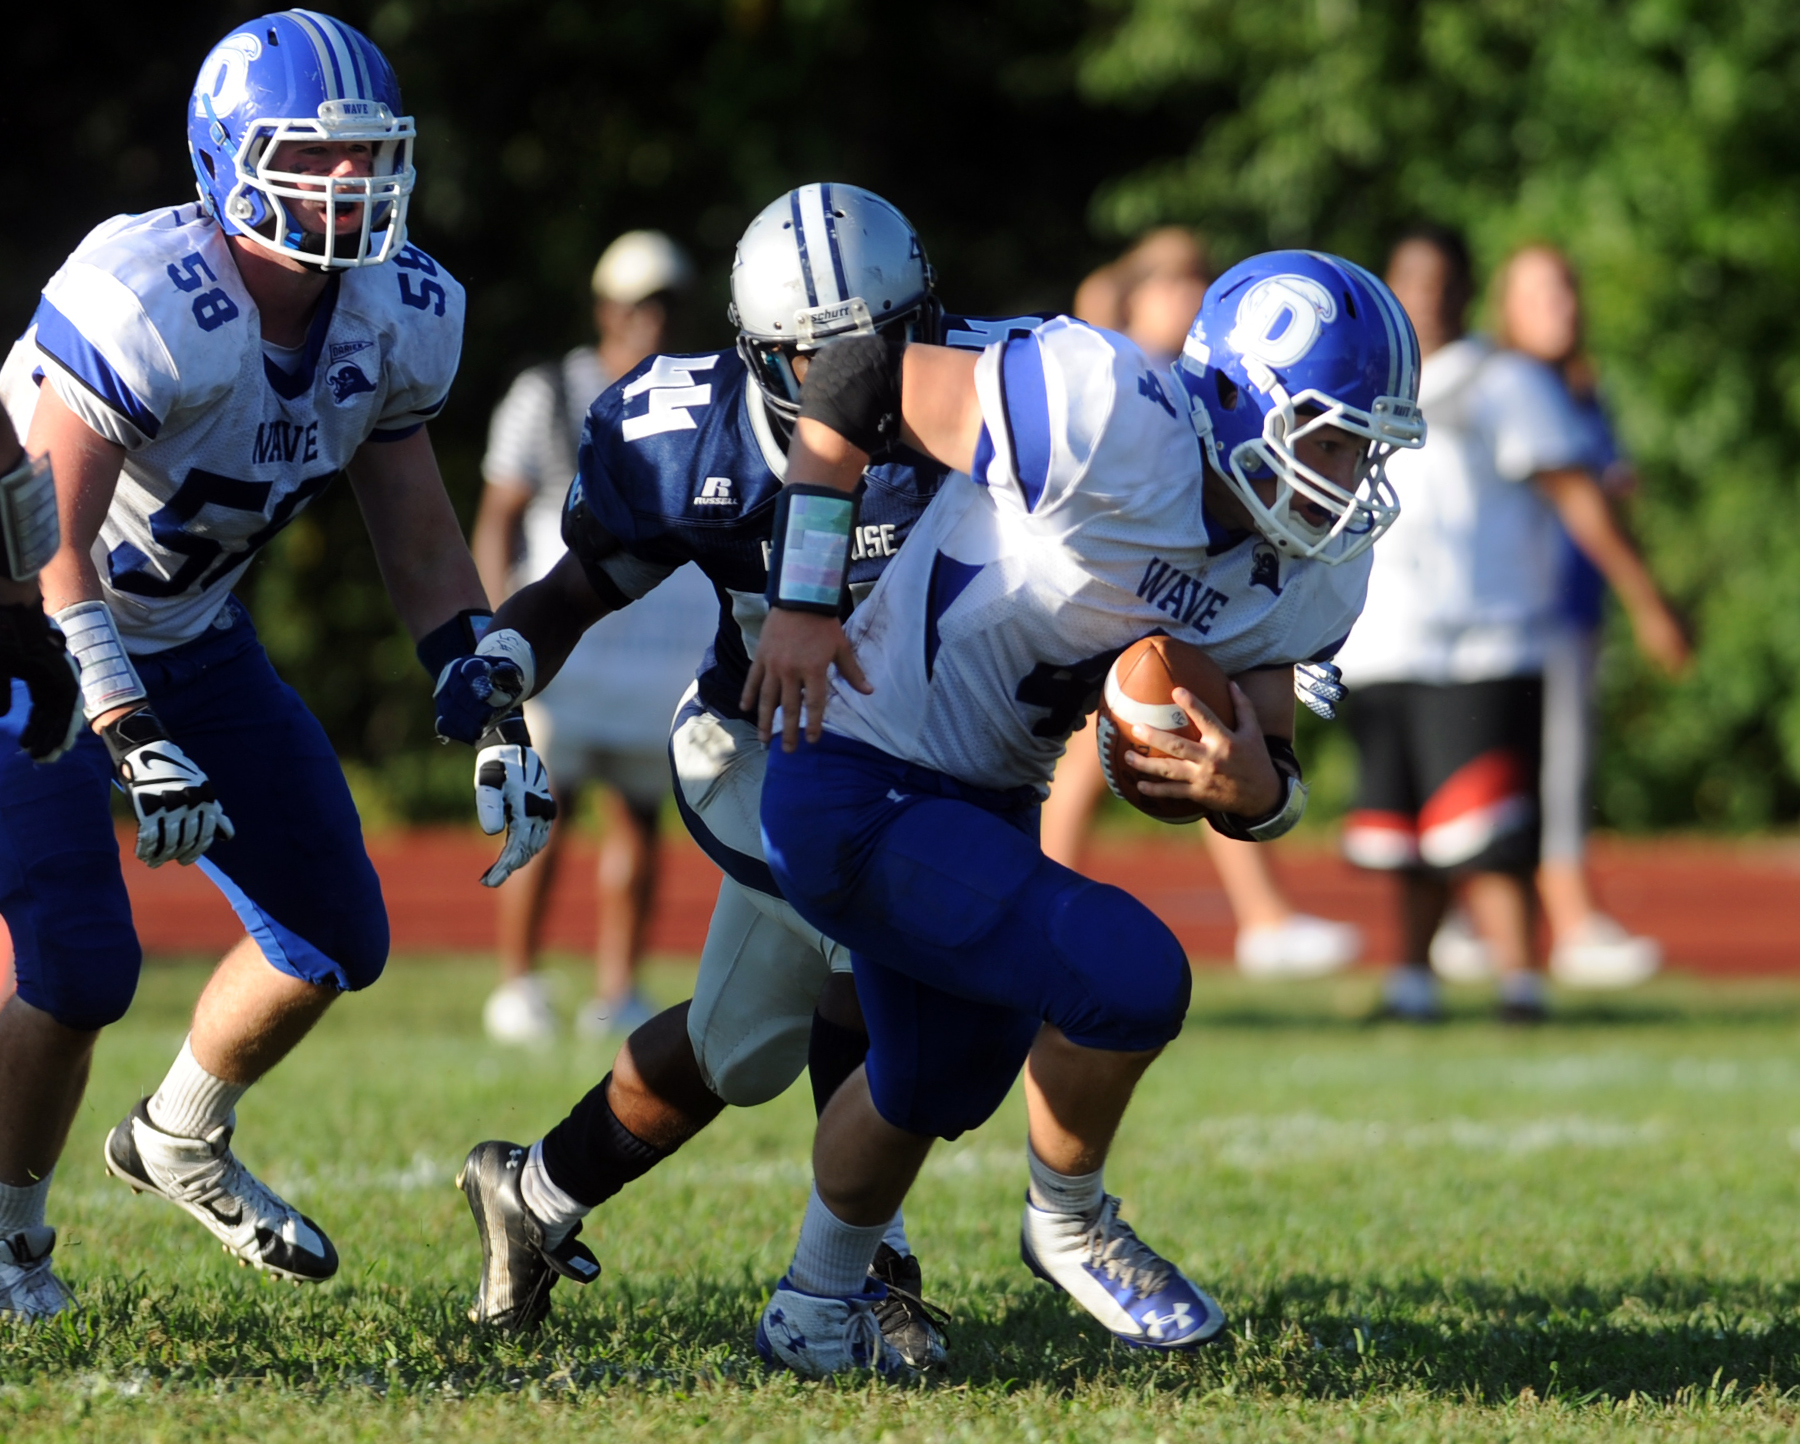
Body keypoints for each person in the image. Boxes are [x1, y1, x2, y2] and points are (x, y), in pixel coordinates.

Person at [742, 250, 1424, 1374]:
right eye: (1334, 437)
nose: (1351, 478)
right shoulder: (1112, 412)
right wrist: (807, 600)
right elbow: (857, 375)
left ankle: (811, 1310)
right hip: (853, 771)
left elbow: (1270, 759)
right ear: (1240, 397)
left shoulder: (1309, 574)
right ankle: (1069, 1218)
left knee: (932, 1080)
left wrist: (1256, 796)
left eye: (1370, 448)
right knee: (1130, 972)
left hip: (984, 800)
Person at [437, 184, 1049, 1361]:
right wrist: (503, 661)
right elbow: (578, 589)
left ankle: (535, 1194)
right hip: (757, 747)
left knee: (740, 1045)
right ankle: (857, 1279)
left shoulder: (1000, 400)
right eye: (824, 359)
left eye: (882, 345)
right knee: (878, 952)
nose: (858, 382)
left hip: (926, 758)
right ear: (759, 351)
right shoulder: (686, 435)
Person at [0, 10, 548, 1316]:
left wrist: (495, 717)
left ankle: (178, 1135)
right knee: (80, 965)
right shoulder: (148, 292)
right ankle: (12, 1234)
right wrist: (126, 726)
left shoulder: (399, 309)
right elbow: (50, 549)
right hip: (28, 638)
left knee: (334, 934)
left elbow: (417, 532)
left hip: (192, 638)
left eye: (369, 159)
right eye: (315, 157)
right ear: (229, 156)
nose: (349, 186)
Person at [1336, 225, 1689, 1022]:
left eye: (1440, 280)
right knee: (1408, 832)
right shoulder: (1362, 376)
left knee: (1493, 828)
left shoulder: (1506, 380)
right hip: (1389, 638)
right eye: (1409, 279)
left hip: (1486, 639)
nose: (1425, 296)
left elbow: (1578, 497)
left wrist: (1647, 599)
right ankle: (1412, 983)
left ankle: (1519, 983)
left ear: (1467, 288)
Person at [1043, 227, 1363, 980]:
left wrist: (1265, 791)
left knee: (1205, 730)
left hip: (1178, 609)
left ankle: (1258, 915)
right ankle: (1045, 886)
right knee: (1116, 740)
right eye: (1173, 278)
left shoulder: (1242, 406)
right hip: (1085, 612)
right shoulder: (1117, 398)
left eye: (1199, 276)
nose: (1191, 291)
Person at [471, 231, 716, 1042]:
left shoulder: (702, 393)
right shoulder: (549, 390)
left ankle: (619, 987)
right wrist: (490, 621)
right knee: (546, 804)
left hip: (660, 646)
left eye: (667, 304)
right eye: (641, 302)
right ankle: (519, 984)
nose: (654, 319)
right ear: (608, 306)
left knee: (642, 817)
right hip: (570, 639)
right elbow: (501, 510)